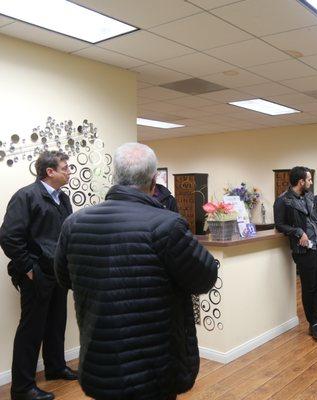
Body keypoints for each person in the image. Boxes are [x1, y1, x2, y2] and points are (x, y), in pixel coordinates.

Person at [54, 143, 219, 400]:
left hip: (100, 356)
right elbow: (205, 277)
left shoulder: (74, 223)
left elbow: (65, 277)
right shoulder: (167, 224)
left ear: (115, 177)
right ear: (154, 181)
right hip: (155, 364)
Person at [0, 151, 77, 400]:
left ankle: (55, 367)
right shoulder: (26, 196)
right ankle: (22, 387)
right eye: (65, 168)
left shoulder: (63, 198)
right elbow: (9, 236)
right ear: (49, 172)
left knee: (56, 323)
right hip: (37, 273)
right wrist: (28, 268)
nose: (69, 172)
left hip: (58, 272)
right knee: (31, 330)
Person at [274, 166, 317, 342]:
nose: (312, 183)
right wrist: (298, 232)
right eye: (309, 180)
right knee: (309, 287)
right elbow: (279, 225)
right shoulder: (283, 201)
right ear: (301, 182)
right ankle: (312, 324)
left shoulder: (310, 196)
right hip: (304, 250)